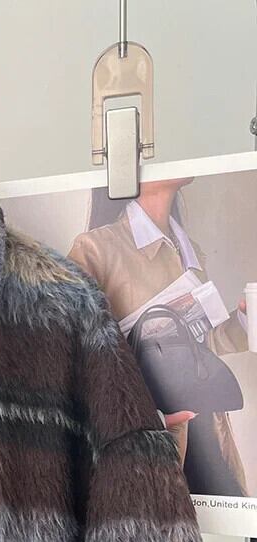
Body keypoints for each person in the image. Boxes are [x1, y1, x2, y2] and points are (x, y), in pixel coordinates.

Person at [68, 177, 250, 496]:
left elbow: (203, 347)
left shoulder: (190, 250)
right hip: (151, 445)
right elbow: (73, 363)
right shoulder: (95, 249)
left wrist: (245, 319)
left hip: (209, 440)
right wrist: (152, 421)